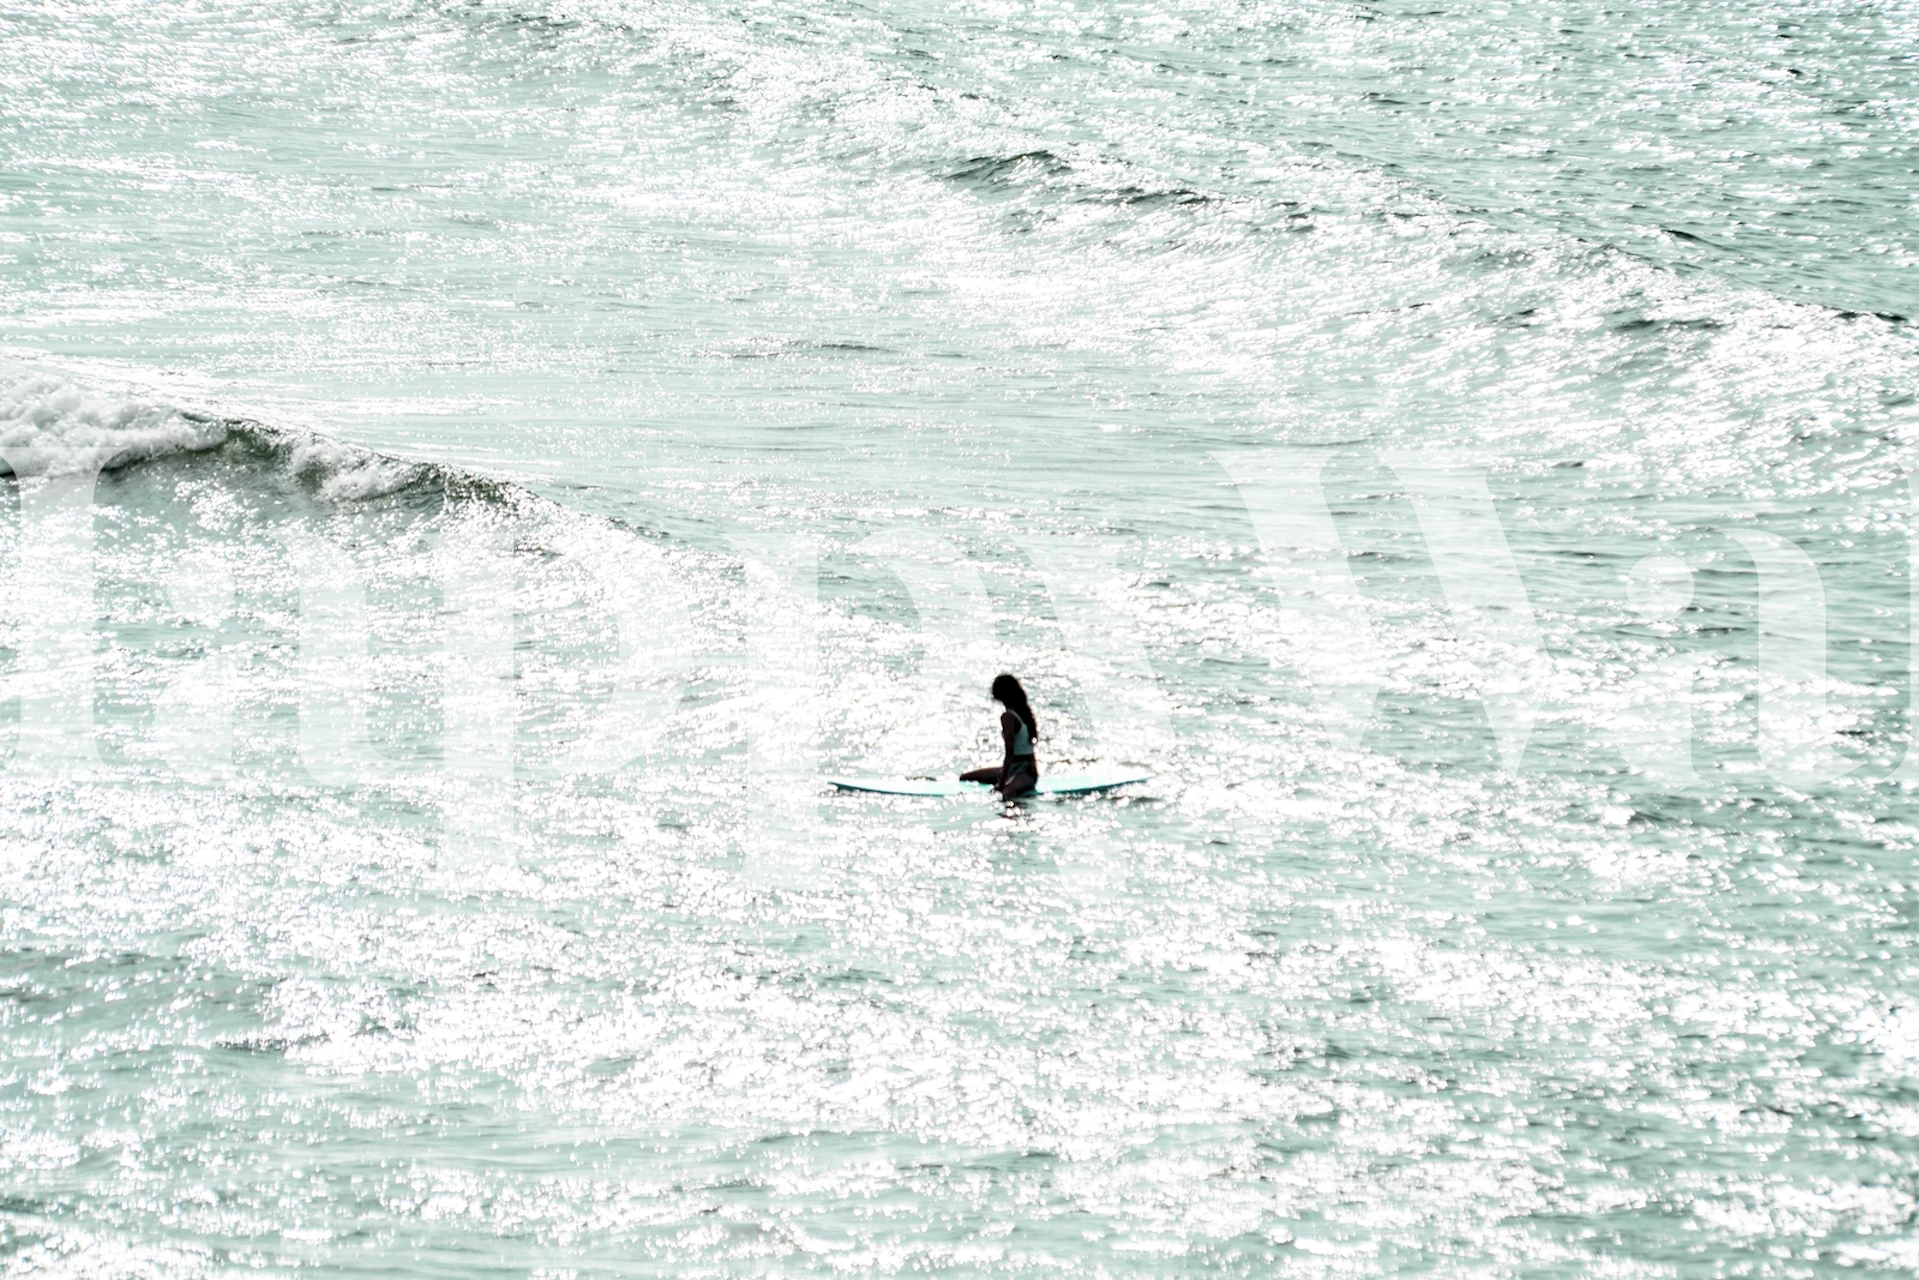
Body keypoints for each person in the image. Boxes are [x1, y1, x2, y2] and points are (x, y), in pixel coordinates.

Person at [960, 674, 1041, 798]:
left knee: (1006, 793)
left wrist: (1001, 783)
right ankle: (1008, 778)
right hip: (1013, 769)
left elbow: (1010, 752)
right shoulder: (1023, 712)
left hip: (1026, 772)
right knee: (965, 778)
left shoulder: (1008, 717)